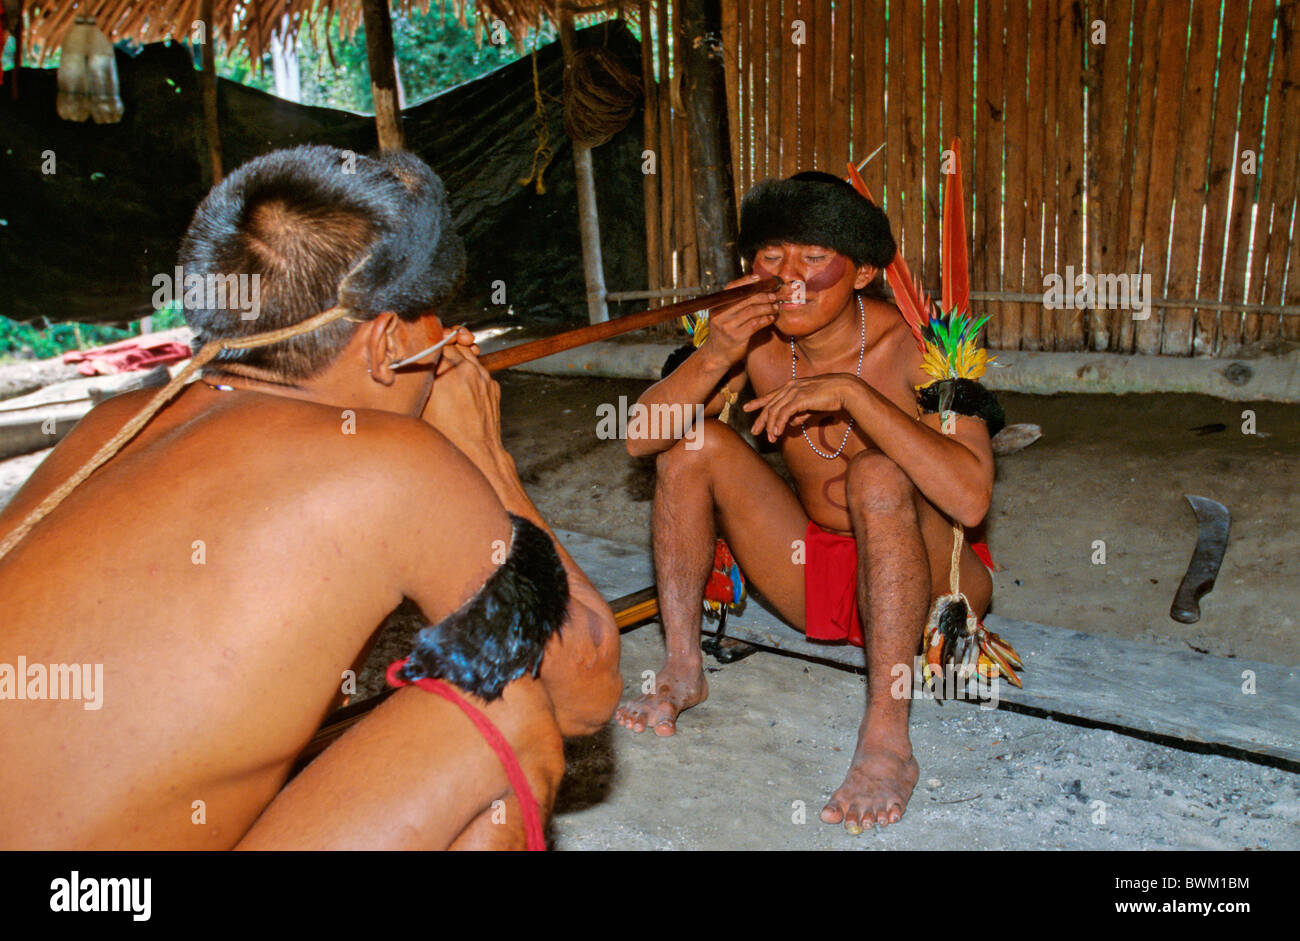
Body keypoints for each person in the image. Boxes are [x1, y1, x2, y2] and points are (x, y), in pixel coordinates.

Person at [0, 145, 620, 850]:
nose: (449, 338)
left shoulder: (112, 424)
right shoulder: (396, 465)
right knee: (508, 717)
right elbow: (584, 686)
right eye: (437, 319)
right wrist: (485, 455)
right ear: (386, 342)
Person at [615, 171, 999, 833]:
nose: (786, 278)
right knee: (689, 444)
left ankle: (885, 739)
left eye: (813, 259)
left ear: (862, 272)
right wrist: (720, 350)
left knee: (877, 475)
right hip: (817, 583)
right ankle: (683, 667)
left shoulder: (919, 347)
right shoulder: (755, 340)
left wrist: (854, 396)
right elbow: (640, 438)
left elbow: (969, 497)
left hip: (935, 584)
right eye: (771, 258)